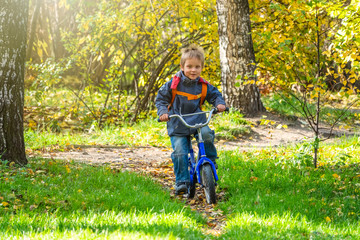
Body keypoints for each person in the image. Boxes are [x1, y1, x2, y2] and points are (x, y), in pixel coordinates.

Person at [155, 44, 226, 195]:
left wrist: (219, 104)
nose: (193, 70)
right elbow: (161, 99)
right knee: (180, 150)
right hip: (177, 121)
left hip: (197, 120)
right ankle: (182, 180)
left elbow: (215, 95)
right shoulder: (173, 84)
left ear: (201, 68)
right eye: (189, 66)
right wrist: (162, 112)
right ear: (182, 66)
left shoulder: (203, 85)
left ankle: (210, 161)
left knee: (207, 135)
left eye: (197, 67)